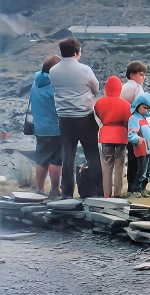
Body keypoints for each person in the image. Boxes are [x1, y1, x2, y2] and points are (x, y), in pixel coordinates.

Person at [48, 37, 101, 198]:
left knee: (68, 157)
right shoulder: (84, 69)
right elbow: (96, 88)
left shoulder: (53, 71)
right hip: (85, 117)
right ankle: (98, 192)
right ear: (77, 52)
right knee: (92, 155)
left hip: (65, 119)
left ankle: (67, 193)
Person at [29, 55, 62, 197]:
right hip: (55, 129)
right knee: (56, 160)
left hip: (40, 128)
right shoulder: (53, 87)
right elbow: (60, 107)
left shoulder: (35, 84)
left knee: (41, 159)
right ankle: (55, 190)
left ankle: (39, 189)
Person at [94, 76, 131, 198]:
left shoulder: (99, 103)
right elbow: (128, 120)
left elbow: (99, 115)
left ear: (106, 88)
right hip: (121, 136)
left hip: (106, 136)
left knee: (106, 164)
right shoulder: (126, 105)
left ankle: (106, 193)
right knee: (119, 165)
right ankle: (117, 193)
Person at [127, 92, 150, 196]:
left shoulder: (144, 119)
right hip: (142, 150)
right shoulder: (134, 119)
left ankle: (143, 188)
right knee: (140, 170)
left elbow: (149, 132)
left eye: (148, 108)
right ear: (137, 105)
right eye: (144, 107)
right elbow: (131, 134)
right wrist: (138, 139)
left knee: (148, 171)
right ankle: (136, 190)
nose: (146, 110)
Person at [120, 61, 147, 195]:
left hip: (124, 126)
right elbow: (140, 108)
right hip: (136, 127)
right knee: (139, 157)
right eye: (141, 74)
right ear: (132, 75)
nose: (143, 77)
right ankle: (137, 188)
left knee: (130, 157)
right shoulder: (137, 88)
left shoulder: (122, 88)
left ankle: (130, 187)